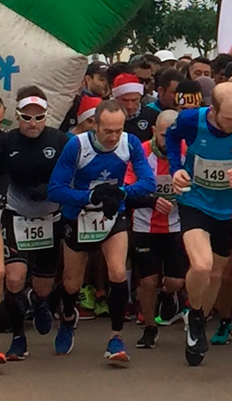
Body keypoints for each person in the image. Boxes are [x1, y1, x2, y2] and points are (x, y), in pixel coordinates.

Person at [165, 82, 232, 366]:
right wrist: (176, 170)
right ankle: (197, 319)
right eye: (227, 119)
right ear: (212, 110)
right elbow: (171, 140)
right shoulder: (191, 119)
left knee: (215, 274)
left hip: (230, 208)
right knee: (201, 265)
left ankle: (197, 315)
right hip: (194, 201)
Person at [49, 99, 156, 363]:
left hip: (111, 214)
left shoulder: (129, 143)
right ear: (95, 124)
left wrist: (121, 192)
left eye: (118, 130)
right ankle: (67, 318)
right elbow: (55, 189)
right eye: (107, 130)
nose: (113, 137)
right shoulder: (77, 145)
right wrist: (90, 196)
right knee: (72, 282)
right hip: (79, 216)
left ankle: (116, 337)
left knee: (118, 272)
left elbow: (147, 182)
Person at [1, 88, 70, 361]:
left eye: (39, 117)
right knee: (14, 278)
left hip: (49, 215)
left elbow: (71, 176)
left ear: (46, 117)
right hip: (16, 214)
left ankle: (40, 301)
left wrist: (51, 189)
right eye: (26, 117)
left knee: (43, 285)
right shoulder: (7, 142)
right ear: (17, 116)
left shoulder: (60, 140)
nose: (32, 123)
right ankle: (18, 338)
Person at [126, 110, 187, 350]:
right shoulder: (140, 152)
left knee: (175, 281)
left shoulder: (186, 152)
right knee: (148, 281)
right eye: (163, 135)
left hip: (177, 225)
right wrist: (151, 200)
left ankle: (168, 296)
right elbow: (128, 188)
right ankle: (150, 327)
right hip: (145, 225)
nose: (168, 140)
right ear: (154, 132)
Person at [113, 73, 159, 143]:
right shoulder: (108, 117)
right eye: (125, 100)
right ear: (116, 99)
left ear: (140, 97)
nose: (130, 106)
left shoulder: (152, 116)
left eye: (134, 100)